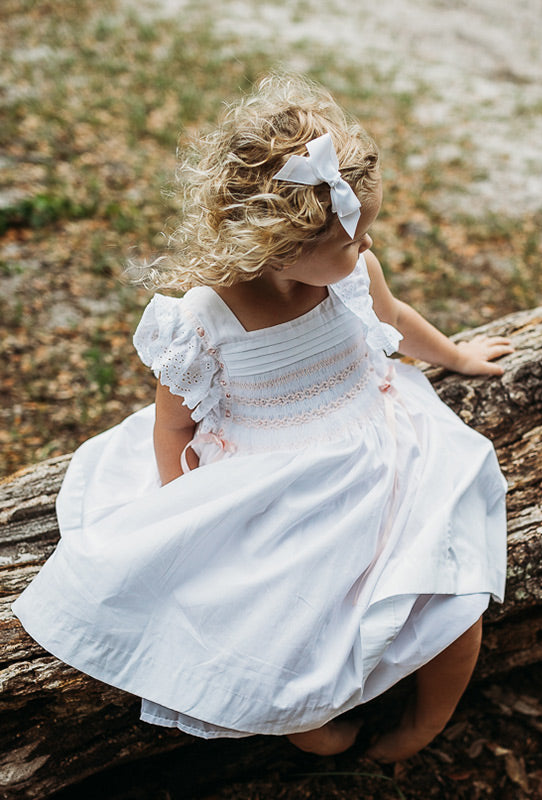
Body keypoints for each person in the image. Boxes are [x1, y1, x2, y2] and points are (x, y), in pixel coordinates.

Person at [12, 73, 513, 762]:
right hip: (275, 481)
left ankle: (423, 723)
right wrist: (181, 509)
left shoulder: (354, 272)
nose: (366, 249)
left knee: (455, 600)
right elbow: (175, 427)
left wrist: (455, 355)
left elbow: (395, 322)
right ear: (282, 242)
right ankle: (314, 727)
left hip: (386, 446)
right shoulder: (204, 320)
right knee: (269, 626)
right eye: (352, 239)